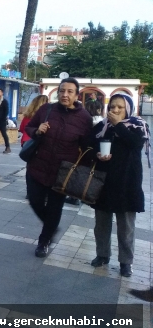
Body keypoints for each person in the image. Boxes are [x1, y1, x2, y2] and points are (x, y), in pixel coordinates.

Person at [24, 78, 92, 258]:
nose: (65, 95)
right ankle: (51, 226)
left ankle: (44, 241)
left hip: (63, 172)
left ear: (77, 95)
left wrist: (84, 171)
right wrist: (37, 130)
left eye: (70, 91)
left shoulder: (84, 118)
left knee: (55, 207)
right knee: (34, 201)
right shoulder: (46, 110)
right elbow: (29, 128)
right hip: (37, 166)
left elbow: (87, 148)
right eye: (62, 91)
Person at [89, 93, 148, 278]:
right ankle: (102, 255)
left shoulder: (138, 126)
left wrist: (118, 125)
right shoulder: (102, 126)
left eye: (119, 108)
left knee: (126, 228)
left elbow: (136, 144)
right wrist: (97, 154)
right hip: (103, 184)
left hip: (127, 185)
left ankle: (126, 262)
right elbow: (89, 143)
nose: (114, 110)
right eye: (112, 106)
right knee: (101, 225)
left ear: (128, 109)